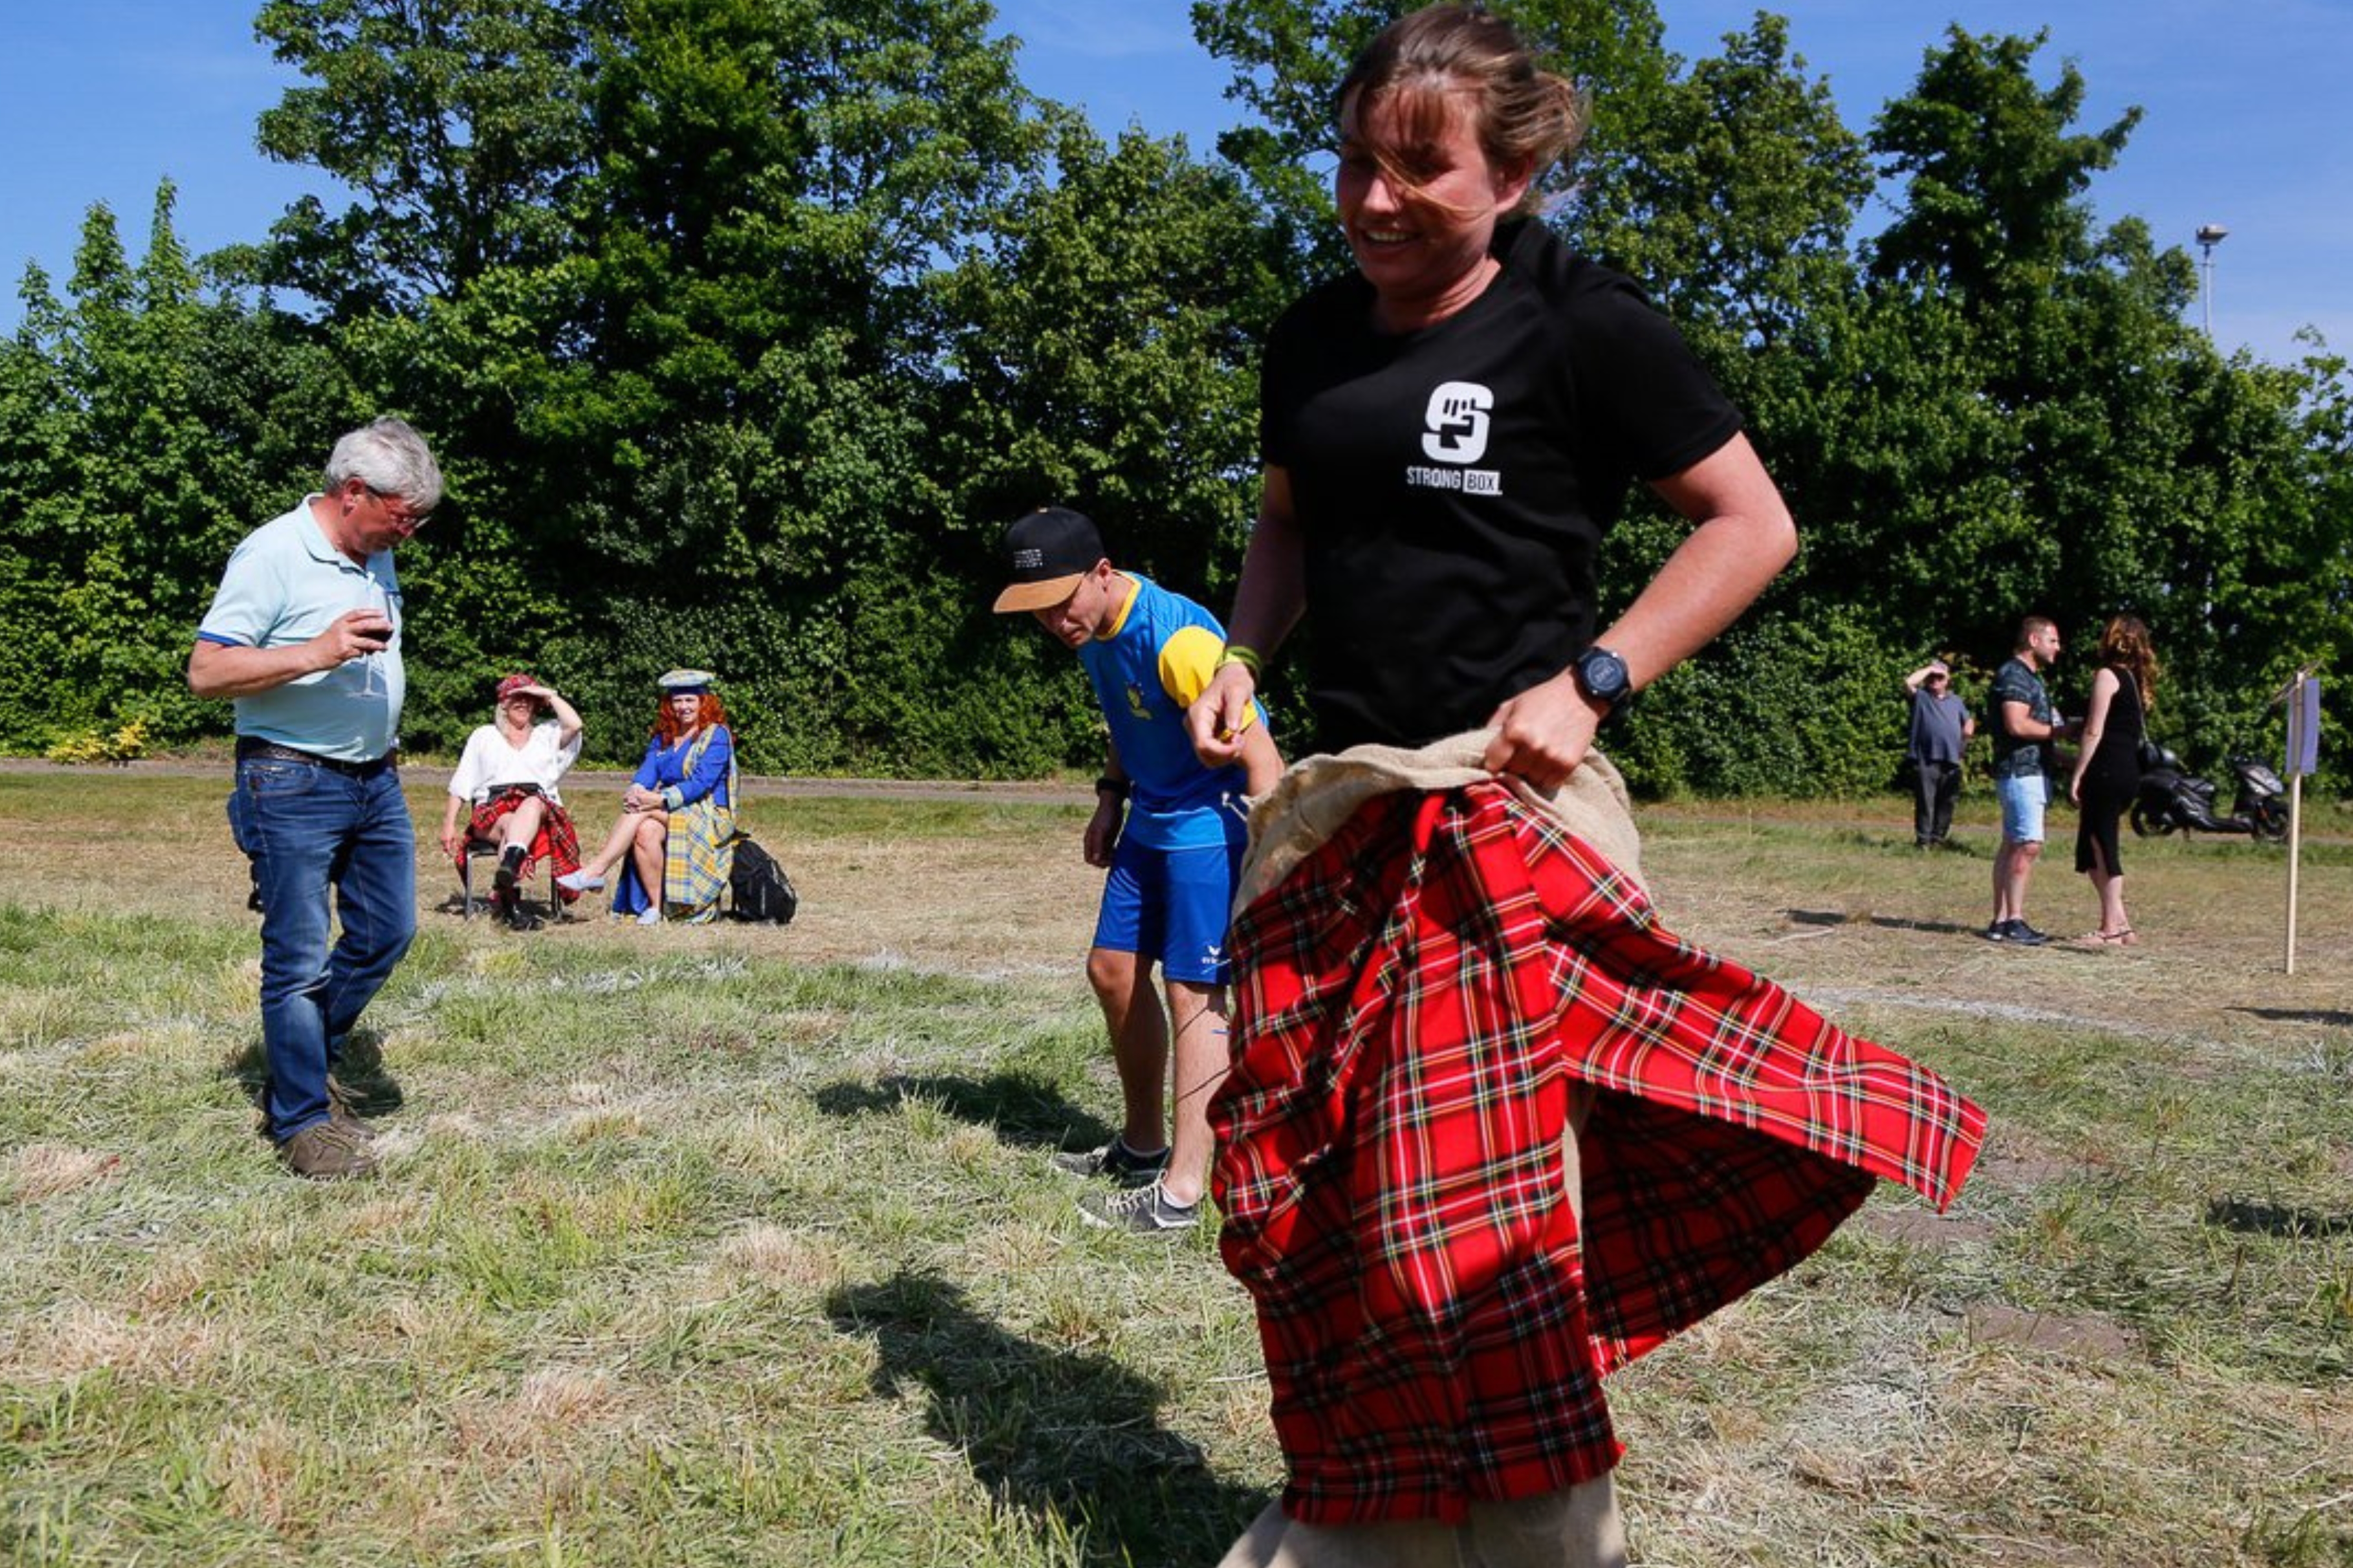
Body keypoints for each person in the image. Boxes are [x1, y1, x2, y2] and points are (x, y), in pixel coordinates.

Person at [1181, 10, 1983, 1563]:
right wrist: (1236, 648)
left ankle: (1548, 1539)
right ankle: (1362, 1523)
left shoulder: (1581, 319)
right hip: (1340, 812)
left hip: (1503, 810)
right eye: (1354, 159)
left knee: (1479, 1227)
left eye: (1420, 167)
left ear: (1519, 170)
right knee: (1330, 1209)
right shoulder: (1308, 335)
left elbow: (1748, 525)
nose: (1371, 198)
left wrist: (1592, 677)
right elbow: (1285, 523)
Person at [993, 506, 1283, 1234]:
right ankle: (1143, 1146)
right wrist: (1109, 797)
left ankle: (1183, 1192)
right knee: (1112, 969)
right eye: (1038, 612)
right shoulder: (1092, 630)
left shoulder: (1181, 641)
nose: (1054, 622)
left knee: (1194, 994)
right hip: (1148, 820)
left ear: (1102, 572)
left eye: (1061, 603)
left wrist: (1282, 858)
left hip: (1208, 829)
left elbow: (1261, 757)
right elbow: (1127, 721)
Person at [187, 416, 442, 1181]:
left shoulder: (374, 552)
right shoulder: (272, 552)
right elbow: (206, 671)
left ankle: (297, 1064)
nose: (411, 533)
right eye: (404, 516)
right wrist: (318, 651)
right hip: (290, 778)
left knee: (387, 933)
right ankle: (302, 1117)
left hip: (374, 778)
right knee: (297, 957)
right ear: (353, 491)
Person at [558, 671, 735, 924]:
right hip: (669, 810)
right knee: (645, 832)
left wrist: (659, 800)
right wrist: (636, 790)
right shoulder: (663, 738)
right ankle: (655, 906)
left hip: (706, 813)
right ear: (669, 705)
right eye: (678, 701)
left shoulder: (716, 736)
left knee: (641, 812)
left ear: (703, 703)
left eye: (690, 700)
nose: (683, 707)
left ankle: (595, 870)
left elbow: (701, 783)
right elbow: (647, 772)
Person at [438, 674, 586, 930]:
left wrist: (549, 694)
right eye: (516, 699)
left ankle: (510, 898)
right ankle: (511, 873)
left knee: (531, 804)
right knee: (509, 821)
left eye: (529, 700)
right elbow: (462, 782)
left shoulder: (547, 735)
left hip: (537, 811)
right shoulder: (484, 736)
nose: (523, 704)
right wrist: (449, 824)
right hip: (491, 813)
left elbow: (575, 724)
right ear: (503, 705)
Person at [2067, 615, 2156, 947]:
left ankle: (2110, 929)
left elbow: (2095, 730)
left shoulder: (2107, 676)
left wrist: (2077, 773)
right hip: (2127, 771)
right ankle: (2121, 923)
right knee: (2091, 849)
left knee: (2103, 847)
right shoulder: (2135, 681)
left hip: (2106, 770)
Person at [1986, 617, 2073, 946]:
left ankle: (2002, 920)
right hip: (2022, 774)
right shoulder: (2014, 675)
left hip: (2027, 772)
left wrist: (2066, 756)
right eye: (2053, 641)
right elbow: (2017, 725)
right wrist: (2062, 732)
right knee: (2027, 845)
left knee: (2013, 845)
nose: (2058, 648)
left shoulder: (2029, 678)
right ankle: (2013, 920)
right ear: (2034, 640)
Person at [1902, 660, 1974, 848]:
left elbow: (1969, 722)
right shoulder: (1922, 698)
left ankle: (1938, 839)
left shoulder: (1956, 700)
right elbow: (1909, 683)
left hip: (1951, 759)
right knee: (1926, 801)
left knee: (1947, 802)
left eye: (1940, 677)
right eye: (1932, 677)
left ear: (1947, 680)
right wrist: (1930, 669)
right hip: (1926, 758)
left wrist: (1966, 737)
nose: (1935, 680)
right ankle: (1923, 841)